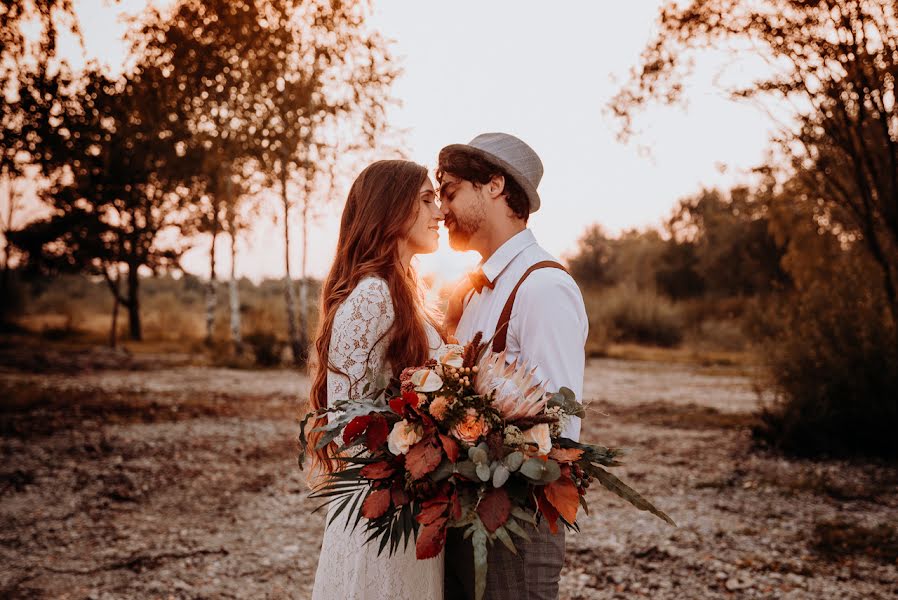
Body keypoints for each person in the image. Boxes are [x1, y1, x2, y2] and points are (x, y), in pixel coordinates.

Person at [438, 133, 588, 600]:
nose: (442, 210)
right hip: (465, 519)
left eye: (450, 192)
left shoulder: (542, 287)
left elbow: (559, 430)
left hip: (517, 529)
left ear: (495, 185)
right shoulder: (472, 291)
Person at [309, 159, 448, 600]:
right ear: (390, 208)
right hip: (382, 509)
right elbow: (345, 422)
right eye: (427, 200)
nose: (440, 212)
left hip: (410, 501)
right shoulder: (371, 296)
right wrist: (419, 438)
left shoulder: (403, 290)